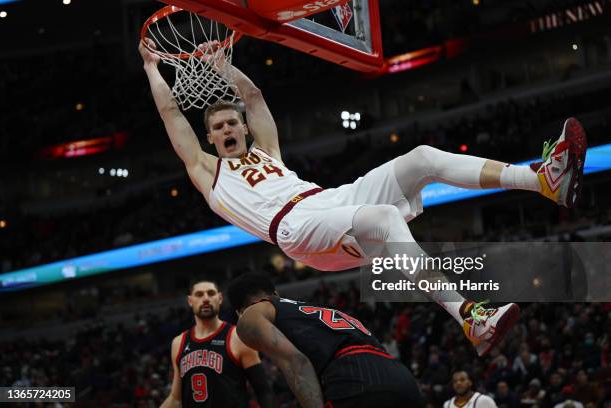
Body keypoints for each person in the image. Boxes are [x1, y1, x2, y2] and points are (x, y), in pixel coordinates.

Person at [139, 38, 588, 356]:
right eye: (217, 128)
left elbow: (253, 98)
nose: (227, 130)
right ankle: (469, 316)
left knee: (422, 158)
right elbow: (168, 111)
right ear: (210, 138)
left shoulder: (268, 151)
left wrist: (225, 70)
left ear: (240, 127)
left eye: (231, 123)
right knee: (382, 219)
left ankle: (542, 180)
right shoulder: (208, 172)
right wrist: (151, 67)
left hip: (328, 199)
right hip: (294, 229)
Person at [226, 272, 425, 408]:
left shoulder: (252, 314)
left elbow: (296, 362)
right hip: (400, 376)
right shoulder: (317, 310)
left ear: (239, 312)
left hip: (354, 377)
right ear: (276, 294)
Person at [161, 279, 276, 408]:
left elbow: (264, 391)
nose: (205, 299)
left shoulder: (238, 337)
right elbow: (176, 399)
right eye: (199, 294)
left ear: (220, 298)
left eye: (211, 293)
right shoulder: (178, 342)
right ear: (190, 301)